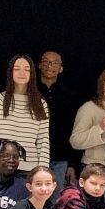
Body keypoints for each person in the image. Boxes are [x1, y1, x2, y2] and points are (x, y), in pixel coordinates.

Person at [0, 55, 50, 173]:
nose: (22, 73)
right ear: (10, 72)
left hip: (29, 170)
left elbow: (43, 142)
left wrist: (42, 172)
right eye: (17, 68)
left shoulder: (40, 104)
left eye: (26, 69)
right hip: (1, 169)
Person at [36, 51, 75, 189]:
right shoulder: (30, 91)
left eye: (54, 62)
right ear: (39, 65)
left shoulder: (69, 94)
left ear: (61, 68)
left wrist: (72, 164)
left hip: (60, 159)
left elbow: (72, 129)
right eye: (46, 61)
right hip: (34, 156)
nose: (49, 65)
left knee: (56, 198)